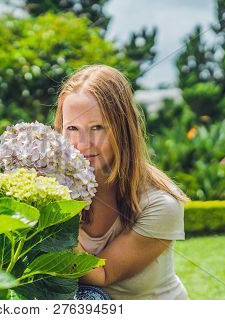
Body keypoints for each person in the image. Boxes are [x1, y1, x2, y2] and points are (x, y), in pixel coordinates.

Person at [53, 65, 190, 300]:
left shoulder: (161, 204)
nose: (83, 143)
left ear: (122, 129)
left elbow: (102, 274)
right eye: (72, 128)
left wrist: (50, 213)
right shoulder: (55, 182)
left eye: (97, 127)